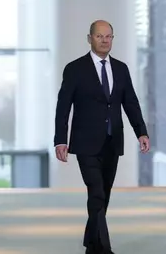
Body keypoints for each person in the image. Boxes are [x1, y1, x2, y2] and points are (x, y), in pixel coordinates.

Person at [54, 20, 150, 254]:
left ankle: (92, 242)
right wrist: (60, 139)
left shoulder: (121, 68)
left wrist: (141, 132)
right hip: (86, 143)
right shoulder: (75, 69)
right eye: (100, 36)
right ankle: (103, 249)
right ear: (90, 38)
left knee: (103, 195)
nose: (105, 40)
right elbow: (63, 107)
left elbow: (131, 103)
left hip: (112, 141)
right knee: (96, 191)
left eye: (109, 36)